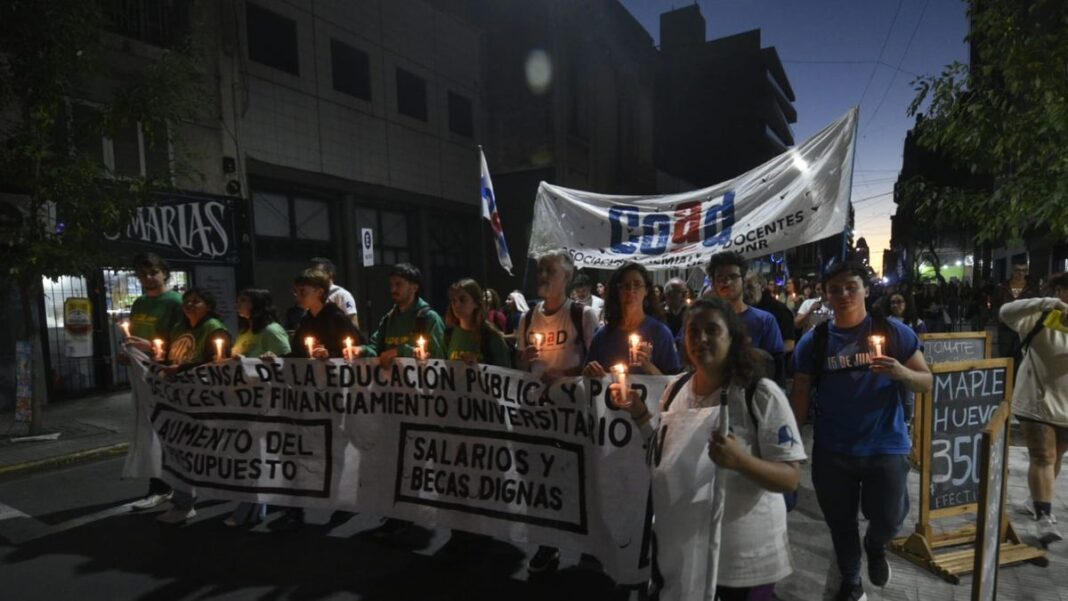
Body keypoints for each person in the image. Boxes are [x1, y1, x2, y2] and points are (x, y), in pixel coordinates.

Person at [612, 297, 804, 600]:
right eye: (693, 331)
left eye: (712, 330)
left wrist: (741, 461)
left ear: (732, 337)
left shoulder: (760, 393)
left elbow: (790, 478)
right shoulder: (675, 390)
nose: (701, 338)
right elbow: (663, 455)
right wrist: (639, 413)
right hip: (686, 549)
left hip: (741, 557)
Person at [790, 260, 932, 601]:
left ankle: (876, 544)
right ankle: (851, 581)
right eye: (834, 289)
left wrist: (901, 373)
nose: (843, 294)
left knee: (889, 517)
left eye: (851, 287)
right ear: (826, 296)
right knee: (840, 523)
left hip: (885, 445)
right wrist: (791, 445)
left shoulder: (895, 332)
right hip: (832, 449)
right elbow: (801, 392)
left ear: (866, 290)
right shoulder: (815, 342)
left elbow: (926, 381)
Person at [516, 249, 599, 572]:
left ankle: (589, 543)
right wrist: (525, 359)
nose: (542, 276)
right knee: (541, 481)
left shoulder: (583, 315)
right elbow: (521, 366)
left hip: (573, 413)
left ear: (567, 276)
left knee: (579, 478)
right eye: (540, 270)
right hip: (539, 413)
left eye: (549, 270)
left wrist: (563, 374)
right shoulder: (526, 318)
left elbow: (596, 364)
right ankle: (547, 543)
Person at [1000, 272, 1068, 543]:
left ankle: (1036, 499)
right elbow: (1005, 312)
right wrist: (1046, 303)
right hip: (1035, 400)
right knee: (1043, 455)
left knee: (1056, 456)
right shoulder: (1038, 317)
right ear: (1060, 291)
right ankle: (1044, 517)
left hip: (1066, 405)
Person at [157, 287, 233, 525]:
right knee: (179, 449)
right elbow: (170, 356)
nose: (189, 305)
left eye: (196, 301)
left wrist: (180, 369)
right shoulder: (179, 328)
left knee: (191, 449)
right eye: (187, 301)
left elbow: (217, 363)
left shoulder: (215, 329)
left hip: (202, 399)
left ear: (208, 306)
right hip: (177, 398)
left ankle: (187, 501)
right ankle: (183, 500)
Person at [226, 288, 291, 528]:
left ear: (257, 304)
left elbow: (290, 363)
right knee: (250, 456)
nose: (238, 303)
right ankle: (257, 506)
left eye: (243, 300)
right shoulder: (245, 332)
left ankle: (249, 509)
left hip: (266, 403)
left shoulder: (272, 330)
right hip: (244, 402)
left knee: (257, 457)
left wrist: (270, 361)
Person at [124, 253, 184, 511]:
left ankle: (164, 485)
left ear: (164, 273)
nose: (147, 278)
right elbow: (135, 336)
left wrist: (150, 347)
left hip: (165, 374)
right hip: (142, 375)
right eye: (142, 274)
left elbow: (183, 340)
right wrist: (128, 351)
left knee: (164, 428)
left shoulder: (176, 302)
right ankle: (162, 483)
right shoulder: (139, 303)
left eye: (153, 273)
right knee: (149, 428)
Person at [583, 262, 681, 377]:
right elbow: (587, 378)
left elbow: (674, 382)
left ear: (646, 290)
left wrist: (648, 366)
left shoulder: (661, 333)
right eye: (625, 286)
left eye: (637, 284)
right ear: (617, 291)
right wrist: (590, 373)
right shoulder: (602, 336)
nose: (630, 290)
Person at [708, 252, 785, 384]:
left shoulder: (765, 320)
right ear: (714, 284)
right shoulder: (704, 321)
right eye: (720, 277)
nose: (727, 282)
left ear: (743, 281)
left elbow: (776, 369)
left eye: (733, 276)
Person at [357, 263, 445, 364]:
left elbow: (440, 359)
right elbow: (375, 349)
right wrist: (361, 350)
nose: (393, 289)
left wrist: (401, 351)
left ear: (414, 288)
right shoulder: (388, 319)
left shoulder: (430, 319)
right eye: (391, 285)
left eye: (398, 284)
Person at [286, 269, 361, 360]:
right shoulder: (305, 320)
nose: (298, 297)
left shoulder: (337, 318)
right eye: (295, 292)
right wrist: (276, 358)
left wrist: (329, 355)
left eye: (303, 292)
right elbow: (297, 353)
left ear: (320, 292)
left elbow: (355, 350)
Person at [445, 279, 511, 368]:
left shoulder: (491, 337)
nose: (457, 305)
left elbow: (505, 373)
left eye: (462, 300)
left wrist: (478, 367)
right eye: (454, 300)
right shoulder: (449, 334)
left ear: (476, 303)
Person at [746, 273, 797, 360]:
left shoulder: (779, 310)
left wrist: (765, 357)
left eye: (750, 287)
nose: (746, 292)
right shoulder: (747, 307)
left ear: (762, 287)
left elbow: (789, 344)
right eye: (744, 287)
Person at [994, 262, 1040, 359]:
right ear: (1012, 271)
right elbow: (995, 304)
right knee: (1005, 356)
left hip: (1023, 328)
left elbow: (1036, 306)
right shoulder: (1002, 287)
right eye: (1017, 270)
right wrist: (999, 317)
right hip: (1006, 328)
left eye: (1024, 270)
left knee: (1021, 357)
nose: (1020, 273)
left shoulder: (1032, 288)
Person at [309, 257, 360, 329]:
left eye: (318, 273)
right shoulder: (312, 295)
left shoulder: (342, 295)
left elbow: (354, 324)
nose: (314, 276)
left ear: (329, 274)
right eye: (313, 273)